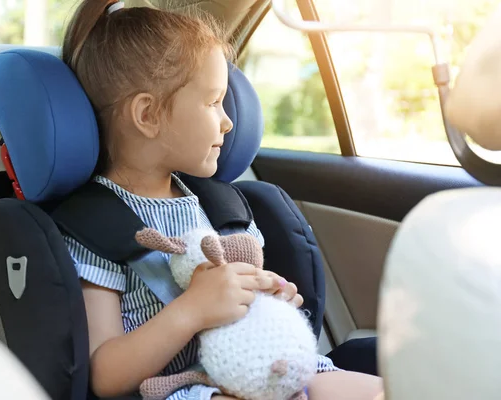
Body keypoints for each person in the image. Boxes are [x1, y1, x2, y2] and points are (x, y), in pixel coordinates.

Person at [61, 1, 383, 399]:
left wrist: (267, 294)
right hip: (186, 387)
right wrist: (192, 309)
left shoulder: (217, 206)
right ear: (147, 115)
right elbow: (106, 375)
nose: (228, 119)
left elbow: (244, 294)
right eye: (213, 102)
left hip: (260, 365)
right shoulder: (95, 227)